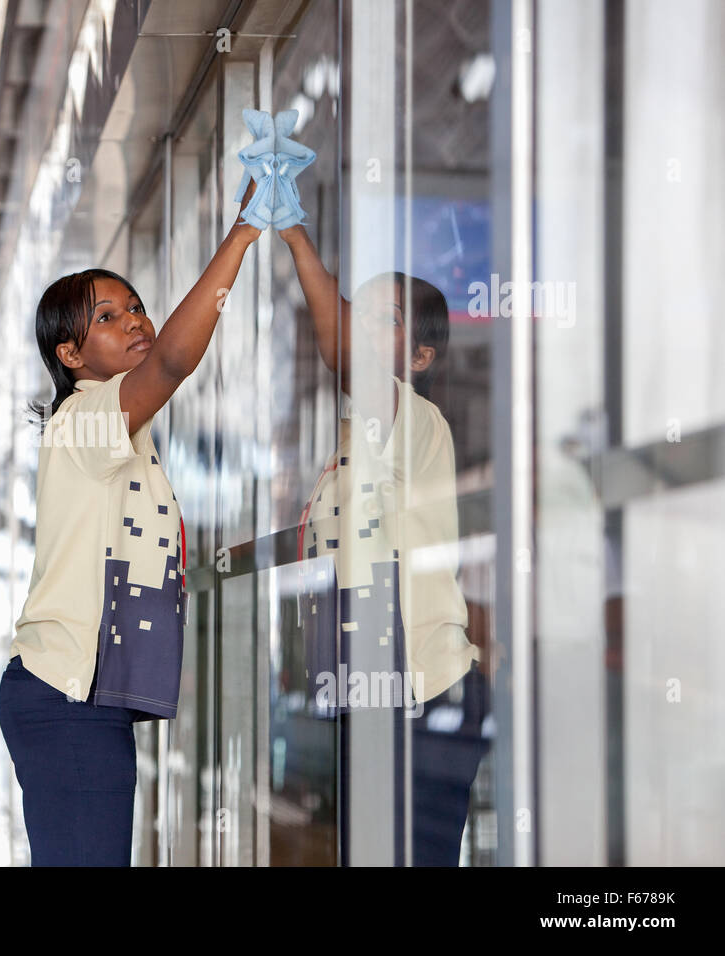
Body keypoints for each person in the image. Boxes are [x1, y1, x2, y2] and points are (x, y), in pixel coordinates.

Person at [0, 153, 268, 865]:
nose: (135, 321)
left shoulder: (122, 437)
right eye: (107, 317)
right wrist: (241, 234)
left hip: (79, 700)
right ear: (71, 353)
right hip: (66, 699)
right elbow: (173, 364)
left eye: (136, 307)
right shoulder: (85, 419)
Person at [277, 211, 488, 864]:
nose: (361, 330)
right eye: (357, 314)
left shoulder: (415, 421)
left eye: (382, 320)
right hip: (372, 693)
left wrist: (295, 237)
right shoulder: (354, 445)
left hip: (421, 698)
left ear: (420, 358)